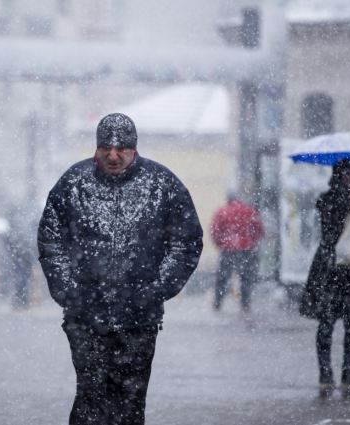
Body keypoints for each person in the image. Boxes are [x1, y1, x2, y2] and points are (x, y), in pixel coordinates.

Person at [38, 113, 203, 425]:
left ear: (134, 149)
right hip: (85, 314)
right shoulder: (74, 183)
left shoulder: (162, 184)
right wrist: (66, 288)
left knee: (129, 400)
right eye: (105, 147)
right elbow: (51, 239)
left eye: (121, 149)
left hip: (139, 317)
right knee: (90, 396)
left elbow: (187, 242)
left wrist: (158, 288)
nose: (112, 155)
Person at [299, 159, 350, 391]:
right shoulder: (327, 199)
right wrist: (348, 205)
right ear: (339, 175)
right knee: (327, 321)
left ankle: (348, 372)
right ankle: (325, 373)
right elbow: (330, 229)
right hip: (331, 268)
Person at [210, 191, 263, 312]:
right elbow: (258, 228)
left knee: (222, 278)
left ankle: (218, 303)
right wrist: (251, 241)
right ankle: (245, 304)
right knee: (245, 278)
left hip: (228, 249)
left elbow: (215, 230)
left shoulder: (222, 211)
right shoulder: (250, 211)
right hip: (245, 249)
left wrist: (221, 243)